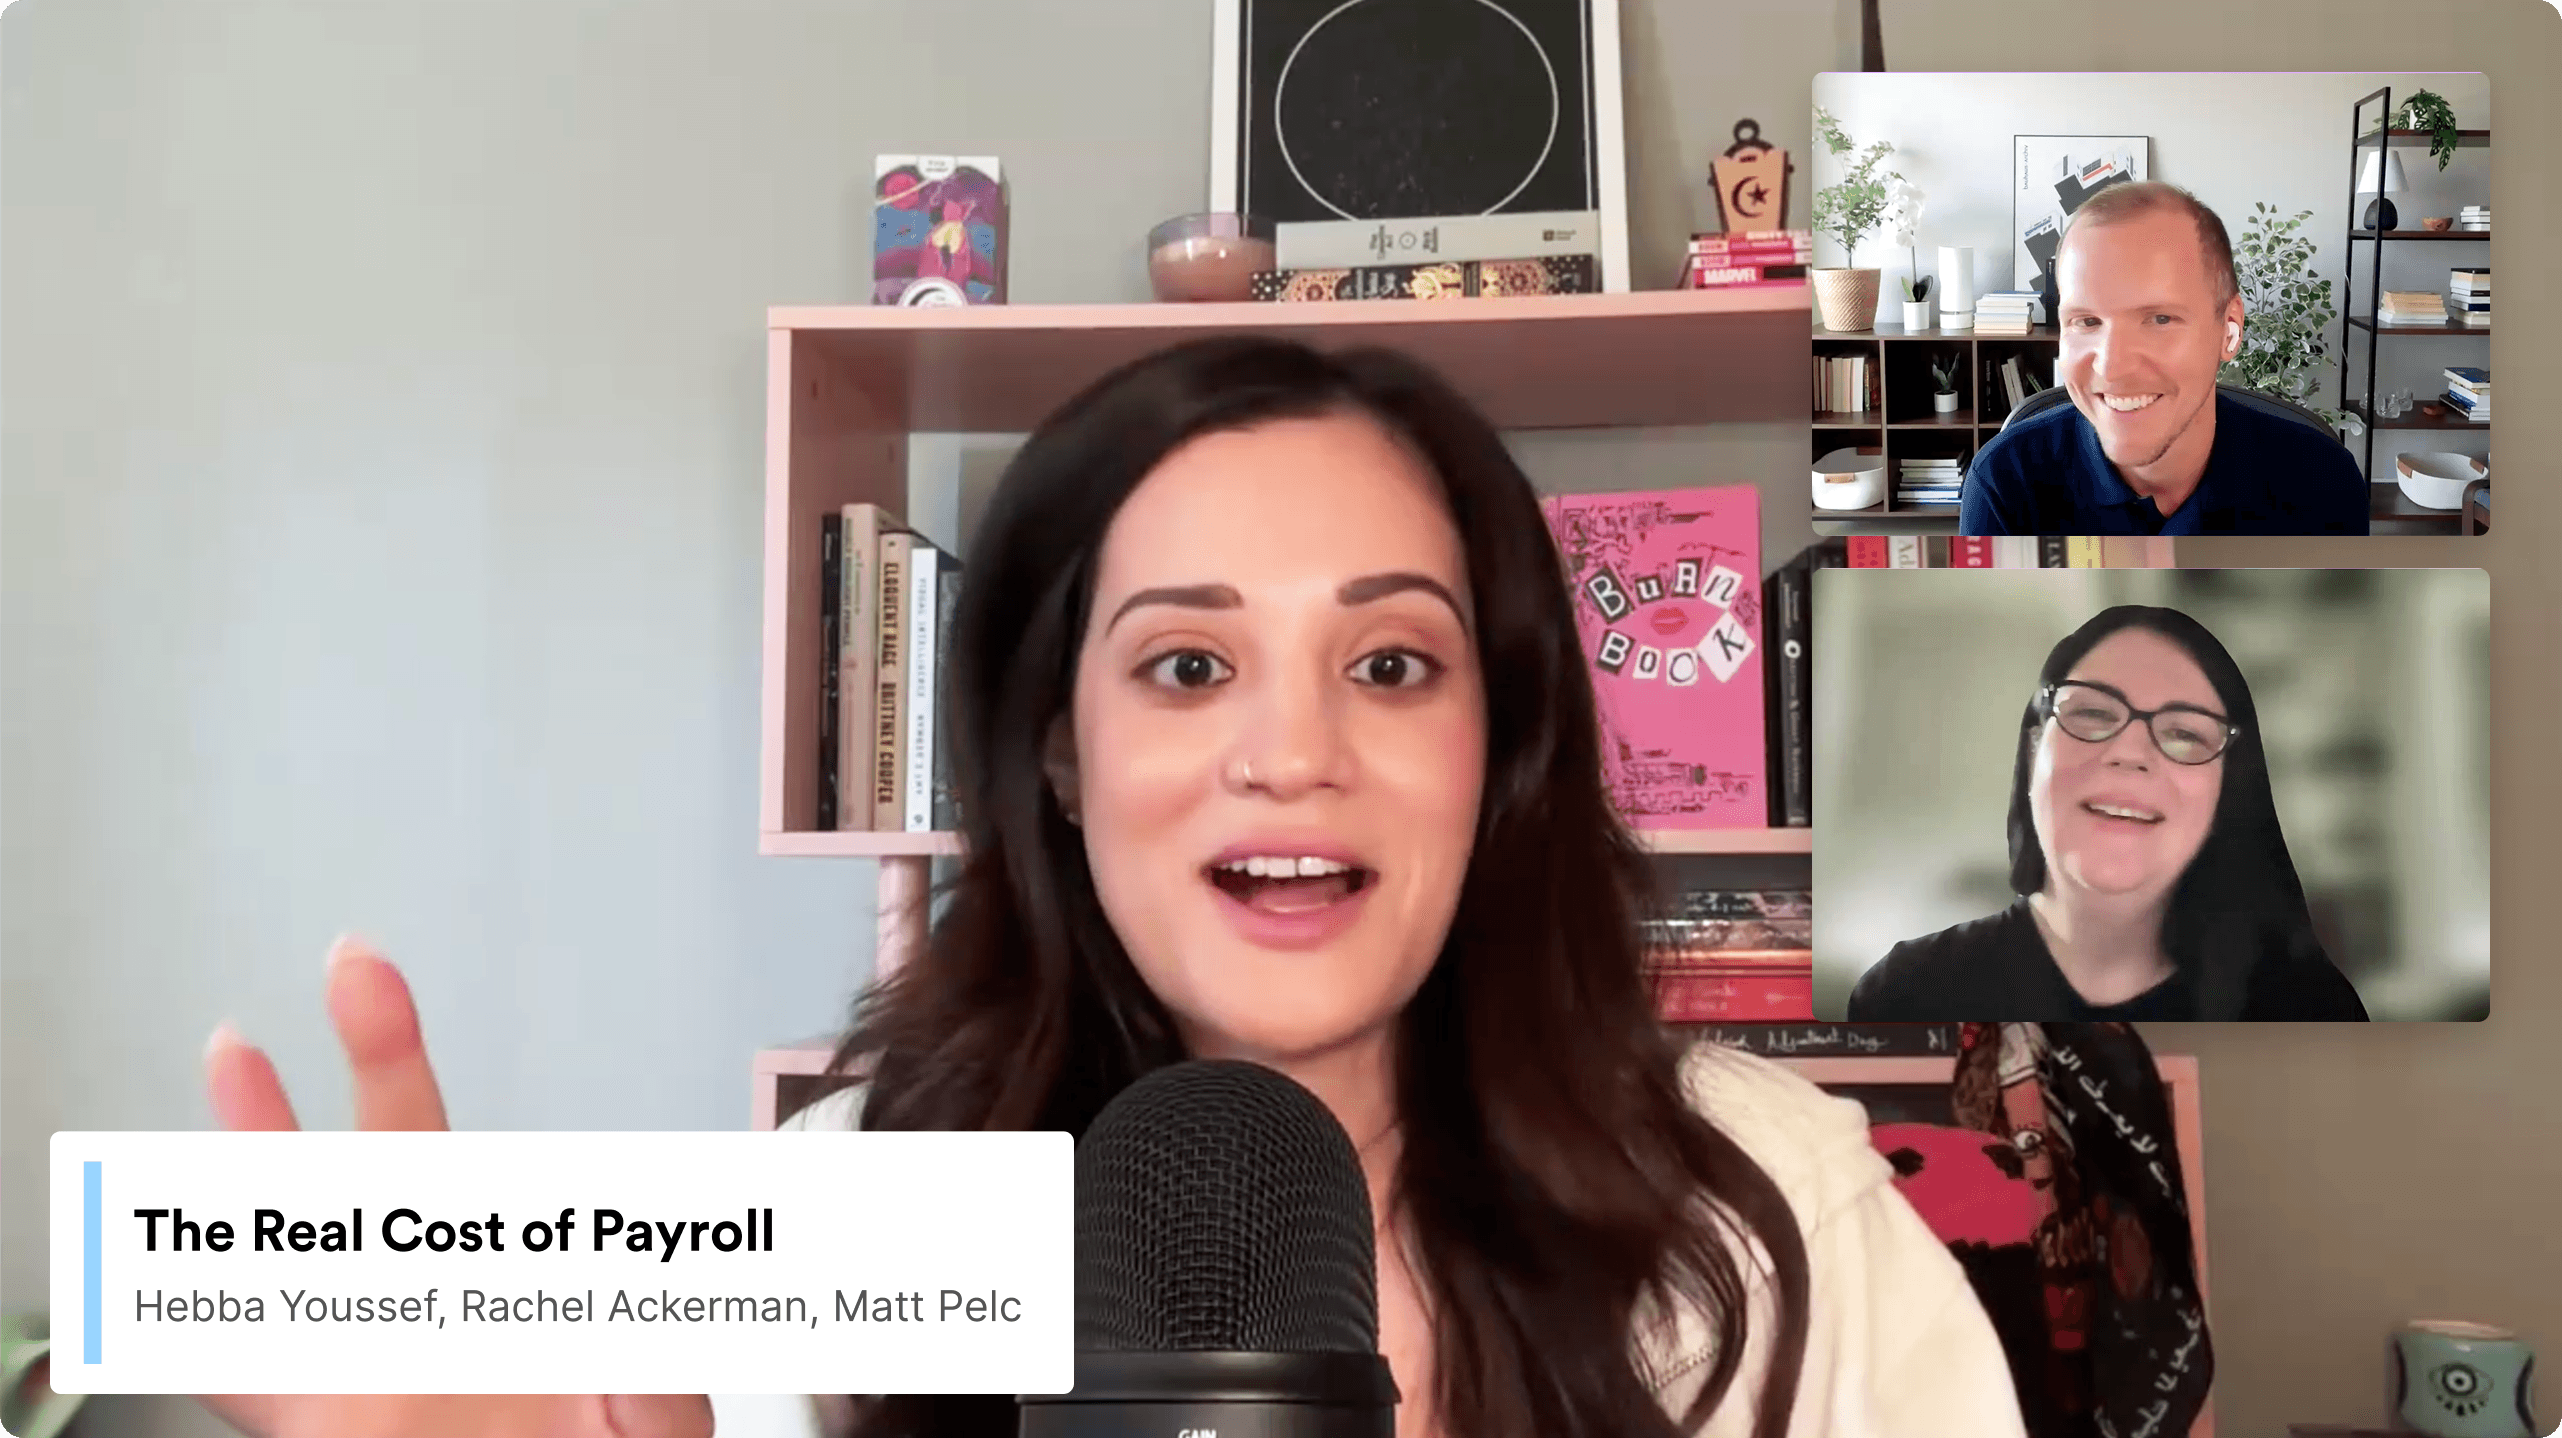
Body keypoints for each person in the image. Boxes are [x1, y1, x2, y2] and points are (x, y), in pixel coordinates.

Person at [200, 338, 2027, 1438]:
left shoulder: (1770, 1206)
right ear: (1059, 755)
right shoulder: (830, 1214)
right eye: (1186, 665)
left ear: (1498, 746)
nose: (1292, 751)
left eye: (1392, 663)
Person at [1846, 605, 2369, 1023]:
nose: (2129, 752)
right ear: (2033, 750)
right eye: (2093, 713)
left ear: (2228, 789)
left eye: (2185, 733)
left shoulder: (2309, 1011)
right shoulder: (1907, 995)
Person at [1959, 182, 2370, 537]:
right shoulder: (2005, 485)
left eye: (2159, 319)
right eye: (2086, 321)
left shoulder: (2322, 480)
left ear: (2229, 330)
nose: (2112, 367)